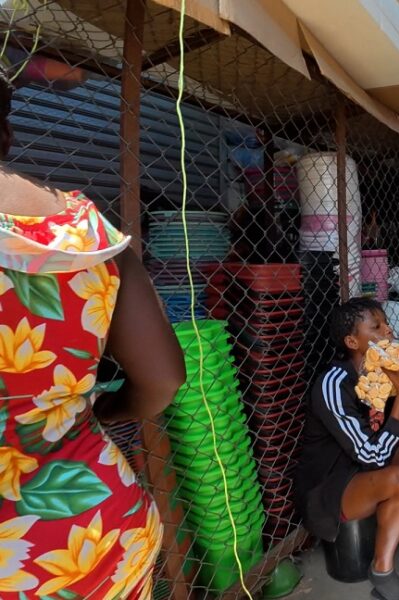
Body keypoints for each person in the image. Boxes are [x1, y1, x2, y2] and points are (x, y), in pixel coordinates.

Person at [0, 67, 185, 597]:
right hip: (104, 527)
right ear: (6, 132)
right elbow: (165, 379)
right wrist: (102, 410)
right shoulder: (85, 233)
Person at [295, 298, 399, 600]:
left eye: (386, 323)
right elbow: (371, 457)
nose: (388, 330)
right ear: (352, 342)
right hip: (332, 487)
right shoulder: (333, 385)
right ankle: (382, 572)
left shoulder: (382, 370)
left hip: (370, 466)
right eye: (376, 326)